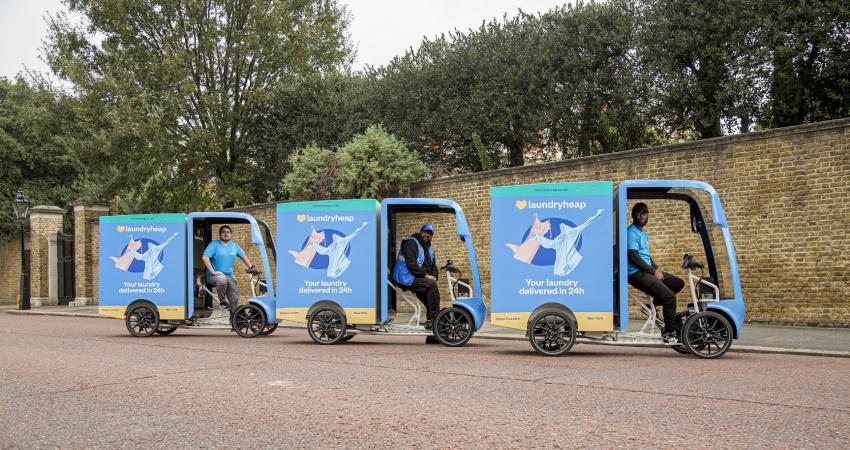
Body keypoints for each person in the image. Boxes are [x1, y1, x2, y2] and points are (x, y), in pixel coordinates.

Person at [626, 203, 685, 343]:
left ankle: (651, 307)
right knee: (669, 297)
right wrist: (653, 272)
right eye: (639, 213)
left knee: (678, 283)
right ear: (633, 215)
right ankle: (669, 333)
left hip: (646, 271)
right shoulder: (630, 232)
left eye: (645, 213)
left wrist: (656, 268)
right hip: (635, 273)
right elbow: (633, 257)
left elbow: (646, 256)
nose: (642, 216)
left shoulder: (643, 234)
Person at [392, 224, 440, 331]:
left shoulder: (430, 249)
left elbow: (433, 267)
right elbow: (411, 264)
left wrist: (435, 276)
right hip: (406, 277)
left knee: (430, 301)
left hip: (417, 278)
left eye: (430, 234)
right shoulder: (411, 242)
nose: (427, 235)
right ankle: (437, 321)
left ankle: (433, 331)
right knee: (431, 286)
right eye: (425, 232)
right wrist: (426, 276)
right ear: (420, 231)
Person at [531, 209, 604, 276]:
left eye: (563, 227)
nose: (562, 228)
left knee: (562, 262)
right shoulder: (561, 238)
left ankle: (537, 237)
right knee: (559, 258)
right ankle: (536, 237)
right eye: (562, 228)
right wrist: (538, 237)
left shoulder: (574, 232)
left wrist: (597, 215)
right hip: (562, 258)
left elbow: (587, 223)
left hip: (566, 257)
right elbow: (549, 243)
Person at [202, 225, 255, 310]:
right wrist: (213, 272)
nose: (226, 234)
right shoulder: (214, 244)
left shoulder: (234, 245)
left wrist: (252, 267)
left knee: (234, 298)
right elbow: (205, 258)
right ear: (220, 234)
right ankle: (222, 302)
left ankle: (234, 317)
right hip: (213, 276)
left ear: (231, 234)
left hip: (229, 275)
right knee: (222, 279)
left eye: (228, 232)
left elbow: (243, 256)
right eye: (223, 232)